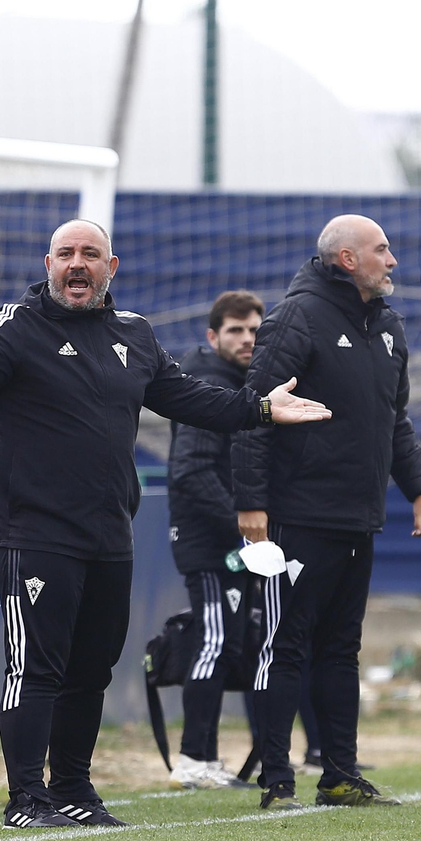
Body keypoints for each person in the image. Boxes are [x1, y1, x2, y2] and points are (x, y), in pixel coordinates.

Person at [0, 219, 331, 829]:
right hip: (33, 531)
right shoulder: (18, 326)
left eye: (89, 254)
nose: (77, 264)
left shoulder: (136, 336)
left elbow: (193, 400)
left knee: (92, 668)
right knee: (35, 666)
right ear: (48, 264)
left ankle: (73, 787)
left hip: (109, 533)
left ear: (111, 267)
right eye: (66, 254)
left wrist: (260, 407)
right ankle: (26, 797)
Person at [235, 215, 421, 810]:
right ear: (347, 259)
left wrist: (419, 487)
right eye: (382, 249)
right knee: (285, 644)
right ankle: (276, 781)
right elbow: (255, 411)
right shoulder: (298, 317)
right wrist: (252, 502)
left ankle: (340, 774)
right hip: (298, 515)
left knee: (341, 649)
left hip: (358, 516)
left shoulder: (389, 326)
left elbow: (392, 419)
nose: (393, 260)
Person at [164, 291, 264, 791]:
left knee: (231, 645)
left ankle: (210, 758)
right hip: (210, 541)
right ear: (213, 336)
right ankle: (192, 760)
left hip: (233, 543)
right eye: (235, 331)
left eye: (253, 331)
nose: (247, 339)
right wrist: (242, 529)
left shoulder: (242, 385)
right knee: (215, 641)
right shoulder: (206, 383)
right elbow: (191, 470)